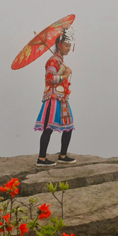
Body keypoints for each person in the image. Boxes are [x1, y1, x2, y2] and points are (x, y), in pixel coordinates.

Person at [35, 26, 76, 166]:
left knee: (69, 126)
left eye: (70, 45)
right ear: (59, 45)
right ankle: (41, 158)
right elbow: (50, 79)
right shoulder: (52, 61)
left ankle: (63, 155)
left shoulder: (59, 61)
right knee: (48, 127)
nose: (68, 48)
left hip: (62, 98)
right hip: (53, 98)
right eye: (66, 45)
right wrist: (65, 75)